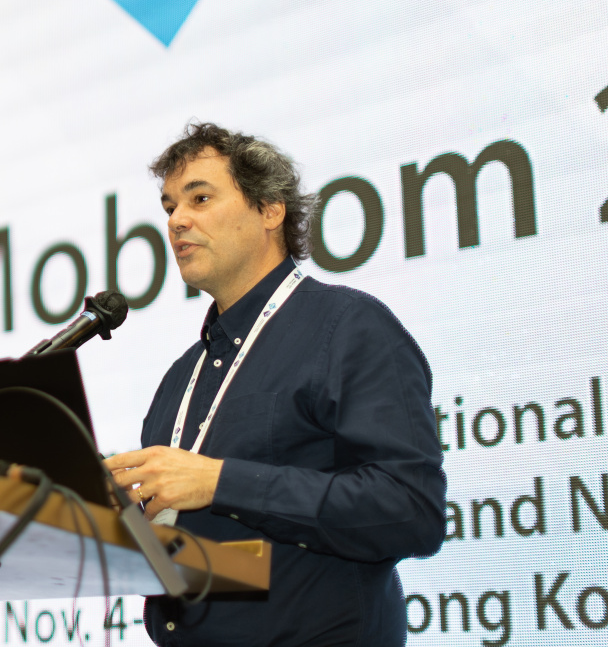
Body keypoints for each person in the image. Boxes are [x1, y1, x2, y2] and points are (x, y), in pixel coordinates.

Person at [103, 122, 445, 646]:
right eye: (169, 207)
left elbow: (411, 510)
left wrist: (219, 482)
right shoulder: (179, 379)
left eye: (199, 198)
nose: (176, 221)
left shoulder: (349, 328)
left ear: (269, 209)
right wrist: (118, 523)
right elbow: (217, 555)